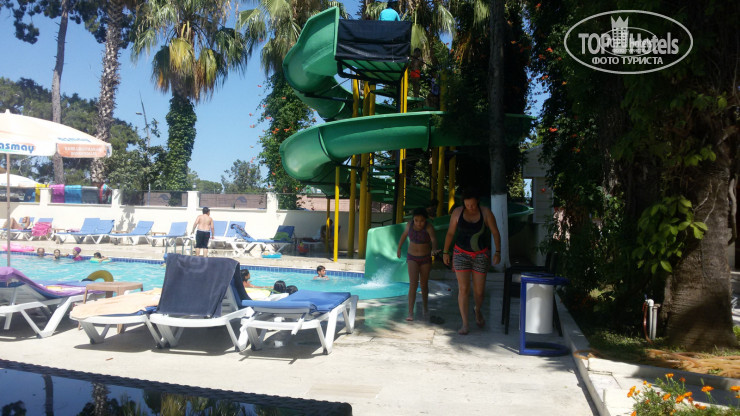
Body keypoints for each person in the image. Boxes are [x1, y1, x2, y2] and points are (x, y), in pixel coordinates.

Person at [442, 188, 501, 335]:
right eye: (467, 205)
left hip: (481, 255)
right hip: (460, 253)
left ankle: (477, 310)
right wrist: (445, 252)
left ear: (478, 202)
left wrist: (498, 252)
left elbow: (495, 232)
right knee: (463, 289)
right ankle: (465, 324)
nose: (470, 207)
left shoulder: (486, 213)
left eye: (473, 205)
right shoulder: (457, 213)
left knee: (479, 292)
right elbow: (450, 233)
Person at [397, 207, 439, 321]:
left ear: (425, 220)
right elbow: (403, 236)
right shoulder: (409, 225)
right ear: (413, 219)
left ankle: (425, 307)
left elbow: (434, 239)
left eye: (421, 221)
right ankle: (410, 312)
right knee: (413, 284)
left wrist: (434, 249)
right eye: (416, 220)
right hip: (412, 257)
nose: (419, 223)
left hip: (425, 258)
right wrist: (399, 248)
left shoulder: (429, 227)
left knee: (424, 284)